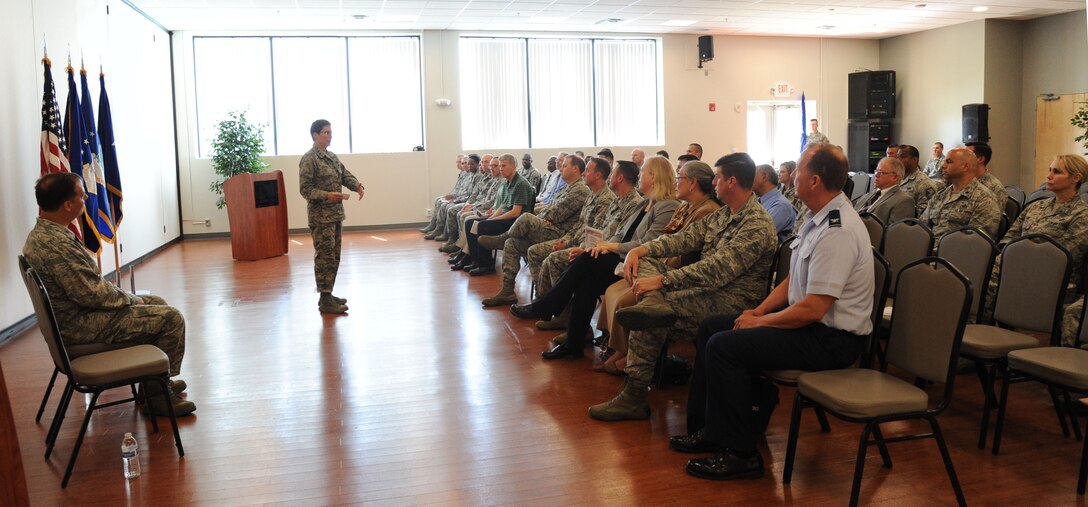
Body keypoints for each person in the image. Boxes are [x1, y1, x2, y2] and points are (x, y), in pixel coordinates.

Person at [675, 144, 873, 482]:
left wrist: (759, 323)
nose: (792, 175)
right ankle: (710, 428)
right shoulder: (817, 216)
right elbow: (792, 279)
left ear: (814, 180)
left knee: (725, 346)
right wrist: (757, 309)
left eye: (799, 170)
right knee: (711, 328)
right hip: (809, 327)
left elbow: (813, 308)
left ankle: (740, 453)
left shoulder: (837, 231)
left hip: (831, 340)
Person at [589, 153, 778, 422]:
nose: (714, 182)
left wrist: (663, 281)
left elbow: (716, 269)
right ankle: (652, 303)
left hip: (731, 299)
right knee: (648, 269)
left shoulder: (756, 224)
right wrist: (641, 250)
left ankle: (634, 396)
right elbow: (684, 239)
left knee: (650, 317)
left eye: (718, 178)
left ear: (732, 182)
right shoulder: (726, 213)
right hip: (707, 290)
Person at [23, 172, 195, 416]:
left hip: (76, 317)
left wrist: (128, 297)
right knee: (171, 319)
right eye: (82, 196)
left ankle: (156, 381)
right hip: (81, 326)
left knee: (156, 302)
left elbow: (88, 287)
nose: (86, 199)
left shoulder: (44, 234)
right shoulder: (56, 245)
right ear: (68, 205)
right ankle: (157, 396)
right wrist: (130, 298)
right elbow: (92, 294)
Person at [509, 158, 679, 359]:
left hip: (638, 266)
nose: (639, 175)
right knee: (585, 283)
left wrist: (609, 246)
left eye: (644, 172)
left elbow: (647, 246)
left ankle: (546, 304)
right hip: (619, 258)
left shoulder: (667, 206)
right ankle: (573, 345)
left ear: (654, 177)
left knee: (586, 260)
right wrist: (602, 246)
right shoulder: (643, 204)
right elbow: (620, 233)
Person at [595, 161, 722, 374]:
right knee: (612, 290)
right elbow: (668, 240)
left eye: (679, 178)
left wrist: (655, 264)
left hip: (680, 274)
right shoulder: (686, 207)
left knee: (628, 299)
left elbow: (687, 253)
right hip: (663, 266)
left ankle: (629, 355)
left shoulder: (706, 210)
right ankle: (619, 349)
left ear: (692, 184)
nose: (676, 182)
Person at [527, 161, 644, 331]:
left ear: (620, 178)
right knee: (538, 252)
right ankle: (551, 310)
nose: (608, 177)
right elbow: (589, 228)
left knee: (560, 260)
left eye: (587, 170)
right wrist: (569, 242)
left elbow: (620, 239)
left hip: (614, 258)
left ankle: (552, 310)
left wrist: (584, 249)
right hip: (595, 249)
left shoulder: (632, 203)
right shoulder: (615, 200)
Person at [985, 155, 1088, 327]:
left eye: (1056, 172)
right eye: (1049, 170)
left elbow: (1065, 255)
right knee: (991, 268)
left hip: (1053, 276)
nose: (1048, 176)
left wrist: (1019, 260)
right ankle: (981, 329)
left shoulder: (1082, 214)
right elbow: (1009, 240)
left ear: (1076, 178)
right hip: (1019, 267)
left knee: (998, 275)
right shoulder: (1035, 207)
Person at [479, 154, 592, 305]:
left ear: (575, 169)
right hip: (550, 228)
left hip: (560, 234)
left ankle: (503, 238)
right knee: (512, 243)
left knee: (526, 217)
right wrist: (545, 215)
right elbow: (549, 209)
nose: (561, 168)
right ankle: (507, 292)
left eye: (564, 166)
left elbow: (556, 214)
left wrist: (545, 215)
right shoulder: (567, 188)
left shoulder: (580, 190)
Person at [299, 119, 365, 314]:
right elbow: (305, 189)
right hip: (321, 217)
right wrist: (326, 195)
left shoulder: (331, 157)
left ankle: (327, 294)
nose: (330, 136)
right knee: (324, 257)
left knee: (334, 256)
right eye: (326, 132)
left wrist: (357, 185)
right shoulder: (309, 159)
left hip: (335, 215)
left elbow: (344, 175)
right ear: (315, 135)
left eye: (330, 132)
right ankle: (325, 297)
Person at [460, 154, 535, 276]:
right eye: (499, 166)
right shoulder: (506, 182)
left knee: (483, 226)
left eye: (503, 166)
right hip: (506, 217)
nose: (501, 169)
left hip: (515, 222)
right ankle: (476, 260)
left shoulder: (520, 183)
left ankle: (486, 265)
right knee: (470, 223)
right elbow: (502, 206)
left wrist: (492, 220)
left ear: (514, 166)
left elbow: (515, 212)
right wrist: (492, 217)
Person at [920, 147, 1001, 240]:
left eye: (949, 162)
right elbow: (922, 228)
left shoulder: (984, 199)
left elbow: (976, 242)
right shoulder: (940, 196)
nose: (942, 166)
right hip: (928, 250)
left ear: (965, 167)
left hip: (954, 252)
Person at [854, 157, 915, 225]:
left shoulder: (903, 200)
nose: (876, 175)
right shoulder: (869, 195)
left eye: (881, 172)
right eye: (876, 171)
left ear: (895, 177)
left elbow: (895, 232)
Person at [753, 163, 797, 242]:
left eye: (753, 176)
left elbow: (756, 236)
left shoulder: (780, 205)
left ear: (764, 177)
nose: (749, 180)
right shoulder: (760, 201)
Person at [897, 144, 941, 216]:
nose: (898, 160)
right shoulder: (896, 178)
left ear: (915, 159)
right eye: (897, 157)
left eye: (903, 156)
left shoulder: (924, 184)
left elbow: (923, 216)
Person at [966, 142, 1009, 209]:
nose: (962, 159)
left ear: (980, 159)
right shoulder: (963, 181)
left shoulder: (994, 188)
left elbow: (994, 217)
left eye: (966, 155)